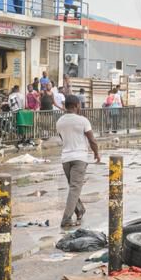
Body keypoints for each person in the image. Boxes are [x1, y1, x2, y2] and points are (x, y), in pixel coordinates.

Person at [57, 94, 101, 227]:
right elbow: (92, 140)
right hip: (80, 158)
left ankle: (80, 209)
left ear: (65, 106)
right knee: (75, 188)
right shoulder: (83, 121)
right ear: (76, 106)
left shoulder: (59, 122)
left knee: (73, 188)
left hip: (66, 158)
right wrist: (96, 153)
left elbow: (63, 138)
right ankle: (66, 218)